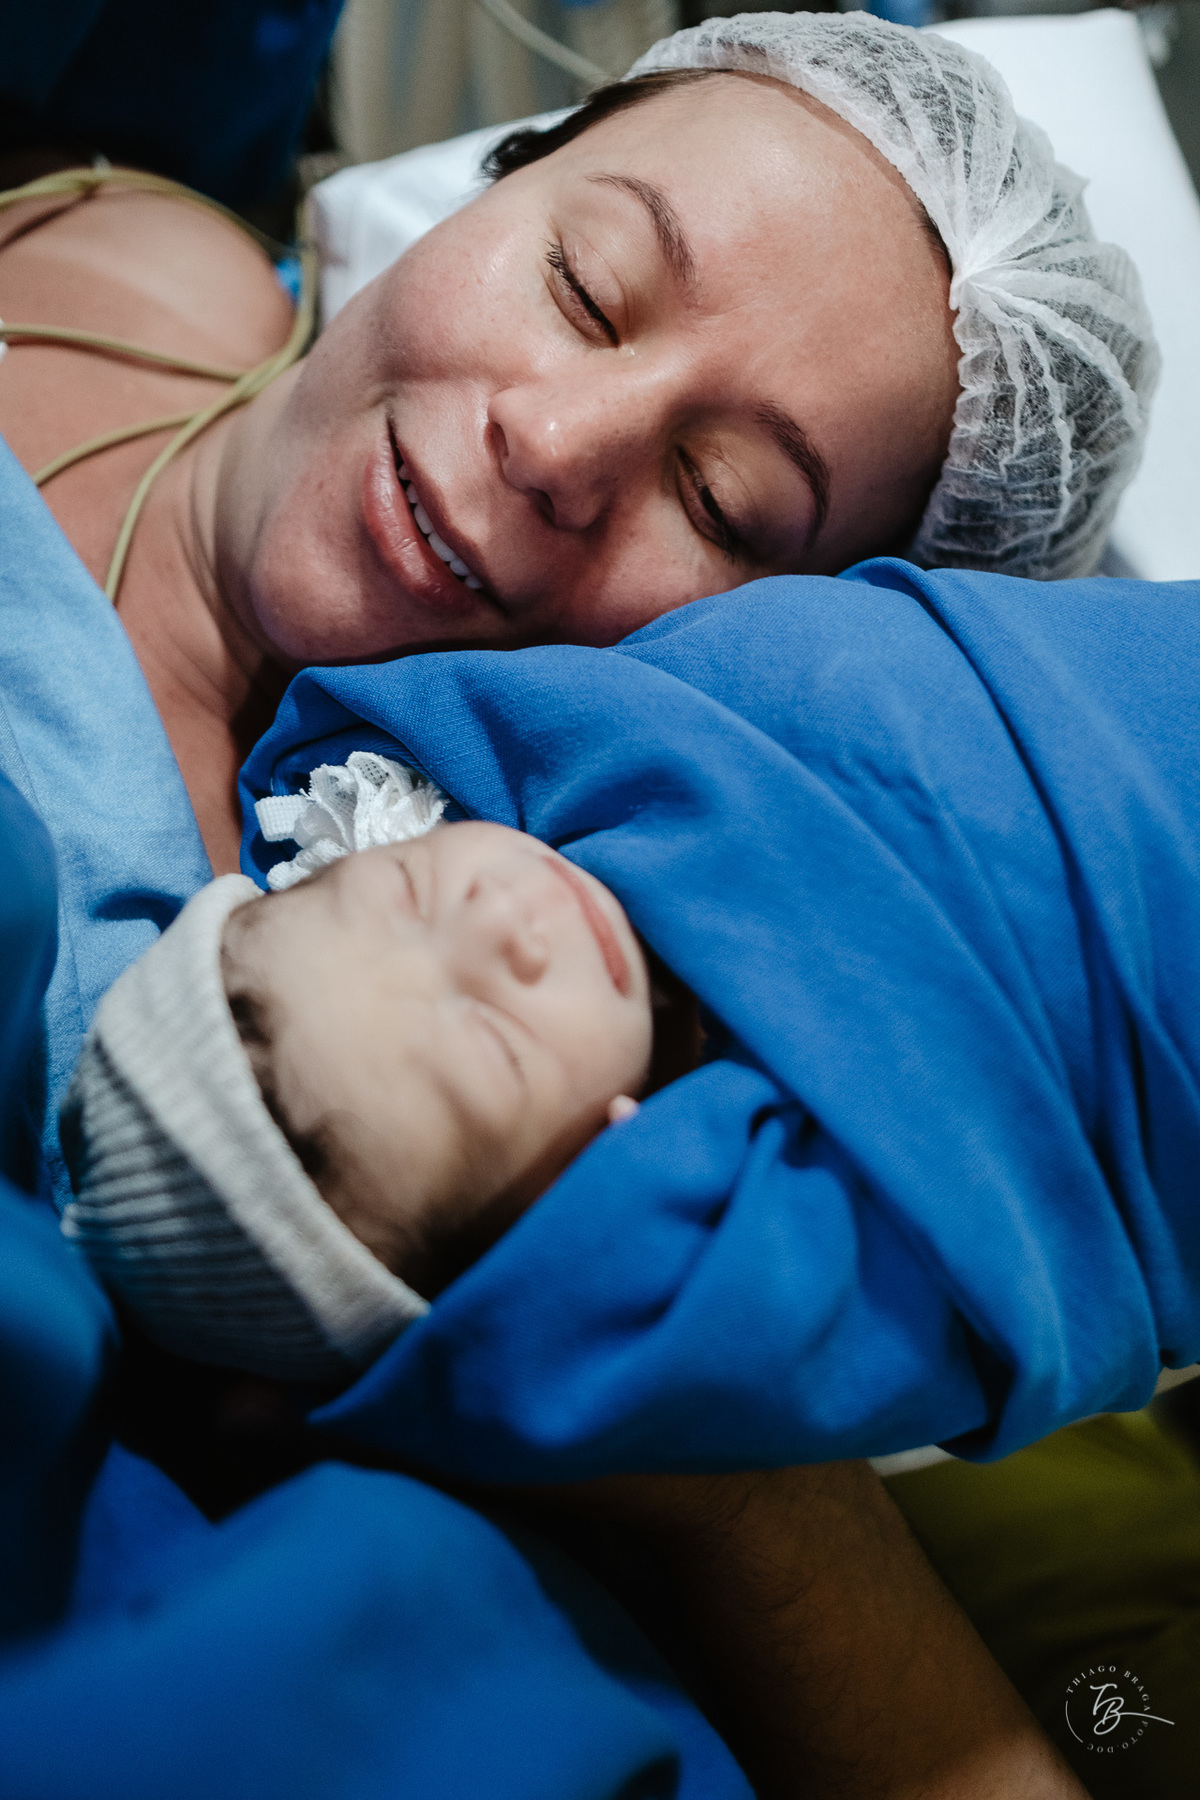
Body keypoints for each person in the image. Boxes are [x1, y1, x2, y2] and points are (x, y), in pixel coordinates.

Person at [0, 13, 1156, 873]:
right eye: (584, 288)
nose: (555, 443)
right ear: (505, 175)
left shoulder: (195, 978)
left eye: (716, 500)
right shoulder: (136, 227)